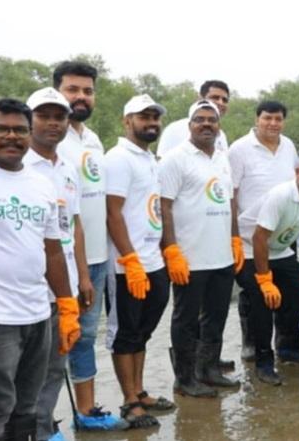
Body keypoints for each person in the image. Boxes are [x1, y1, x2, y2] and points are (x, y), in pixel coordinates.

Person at [0, 98, 79, 441]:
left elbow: (52, 252)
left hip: (37, 314)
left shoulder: (40, 184)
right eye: (0, 128)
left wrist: (66, 305)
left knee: (27, 408)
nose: (11, 136)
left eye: (20, 129)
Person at [53, 60, 127, 430]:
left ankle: (86, 411)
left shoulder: (93, 139)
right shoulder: (50, 138)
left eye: (87, 90)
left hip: (97, 256)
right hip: (62, 259)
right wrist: (78, 269)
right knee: (54, 341)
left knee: (85, 336)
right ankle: (43, 419)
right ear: (57, 92)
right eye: (73, 89)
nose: (81, 97)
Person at [24, 88, 97, 440]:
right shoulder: (17, 165)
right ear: (29, 120)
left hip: (65, 287)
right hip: (27, 291)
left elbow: (75, 223)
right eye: (44, 116)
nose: (53, 124)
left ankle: (42, 428)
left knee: (54, 368)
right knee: (21, 374)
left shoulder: (68, 167)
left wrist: (82, 275)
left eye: (60, 117)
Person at [159, 100, 243, 398]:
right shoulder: (175, 159)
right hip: (190, 257)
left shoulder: (221, 158)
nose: (206, 124)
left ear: (219, 125)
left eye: (212, 120)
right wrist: (171, 250)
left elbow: (229, 202)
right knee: (186, 320)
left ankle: (208, 369)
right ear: (189, 125)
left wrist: (235, 239)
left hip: (220, 255)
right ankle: (185, 377)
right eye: (199, 120)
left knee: (216, 316)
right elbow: (164, 206)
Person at [105, 94, 173, 429]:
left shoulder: (149, 159)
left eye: (154, 118)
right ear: (126, 121)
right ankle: (129, 401)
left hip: (154, 261)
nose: (150, 123)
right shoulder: (118, 158)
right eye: (143, 117)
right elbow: (112, 212)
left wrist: (164, 250)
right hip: (125, 265)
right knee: (126, 334)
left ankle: (140, 390)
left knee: (143, 332)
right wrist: (129, 258)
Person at [235, 157, 299, 385]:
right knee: (263, 301)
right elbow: (259, 237)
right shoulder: (281, 195)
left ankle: (289, 349)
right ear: (298, 171)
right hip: (250, 248)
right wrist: (265, 280)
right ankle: (263, 362)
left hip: (279, 250)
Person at [228, 100, 298, 361]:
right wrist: (233, 235)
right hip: (249, 235)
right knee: (253, 293)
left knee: (288, 288)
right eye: (267, 118)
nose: (272, 123)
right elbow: (231, 195)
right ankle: (253, 345)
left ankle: (286, 342)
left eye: (278, 119)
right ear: (257, 119)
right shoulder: (240, 149)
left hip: (283, 233)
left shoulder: (289, 146)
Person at [156, 80, 230, 158]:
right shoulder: (174, 130)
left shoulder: (221, 136)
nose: (220, 103)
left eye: (224, 100)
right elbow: (162, 164)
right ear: (200, 99)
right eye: (215, 97)